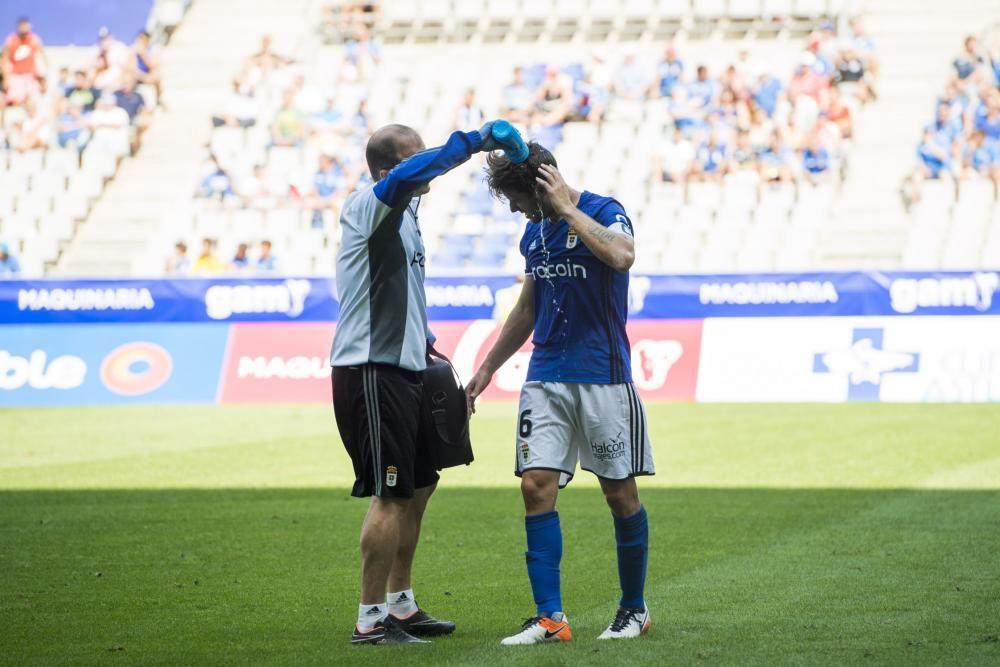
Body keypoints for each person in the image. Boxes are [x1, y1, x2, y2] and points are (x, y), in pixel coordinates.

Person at [466, 142, 654, 645]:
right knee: (535, 486)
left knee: (619, 494)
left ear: (542, 183)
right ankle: (550, 618)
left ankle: (634, 610)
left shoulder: (603, 210)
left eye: (517, 197)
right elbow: (528, 308)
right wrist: (486, 368)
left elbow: (622, 255)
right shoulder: (534, 233)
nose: (513, 208)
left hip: (603, 376)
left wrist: (568, 209)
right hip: (545, 375)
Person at [330, 121, 501, 645]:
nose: (425, 162)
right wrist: (475, 140)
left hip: (404, 366)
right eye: (413, 157)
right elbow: (421, 170)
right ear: (389, 171)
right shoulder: (371, 204)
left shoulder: (405, 217)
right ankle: (369, 619)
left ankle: (400, 605)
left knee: (420, 485)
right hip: (371, 370)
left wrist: (424, 344)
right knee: (390, 491)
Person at [3, 17, 46, 105]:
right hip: (16, 76)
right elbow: (4, 59)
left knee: (35, 101)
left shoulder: (34, 40)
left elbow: (42, 57)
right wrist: (6, 78)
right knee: (15, 102)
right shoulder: (11, 40)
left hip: (31, 76)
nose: (24, 28)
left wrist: (43, 79)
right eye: (22, 26)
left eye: (26, 26)